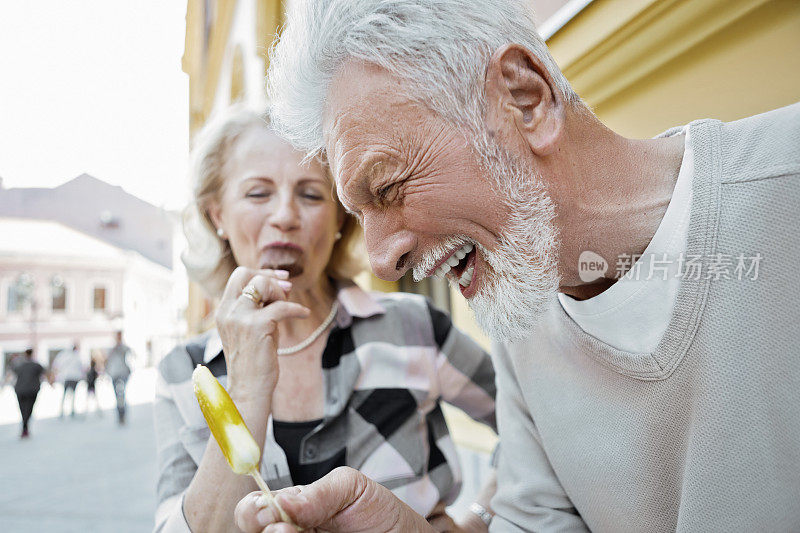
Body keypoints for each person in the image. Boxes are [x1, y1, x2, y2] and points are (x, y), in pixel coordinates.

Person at [233, 1, 800, 532]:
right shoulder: (520, 319)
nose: (382, 258)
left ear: (525, 98)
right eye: (361, 216)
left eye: (388, 186)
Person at [153, 107, 497, 532]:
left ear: (339, 217)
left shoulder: (414, 326)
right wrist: (246, 386)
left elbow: (533, 426)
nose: (285, 215)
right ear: (217, 216)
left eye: (311, 194)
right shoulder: (183, 373)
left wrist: (480, 521)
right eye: (258, 194)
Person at [12, 348, 45, 438]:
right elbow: (44, 374)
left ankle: (24, 427)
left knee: (23, 409)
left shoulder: (19, 365)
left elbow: (12, 374)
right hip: (32, 390)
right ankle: (25, 427)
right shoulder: (36, 365)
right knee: (29, 409)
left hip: (20, 390)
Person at [105, 331, 132, 425]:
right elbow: (107, 361)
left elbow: (131, 354)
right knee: (118, 396)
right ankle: (120, 415)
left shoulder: (124, 348)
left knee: (122, 395)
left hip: (123, 374)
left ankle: (123, 415)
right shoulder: (111, 349)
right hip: (114, 374)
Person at [52, 342, 83, 418]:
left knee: (65, 395)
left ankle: (63, 411)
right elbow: (81, 367)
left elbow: (58, 365)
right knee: (72, 395)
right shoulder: (77, 356)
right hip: (74, 378)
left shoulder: (66, 356)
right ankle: (70, 411)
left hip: (68, 377)